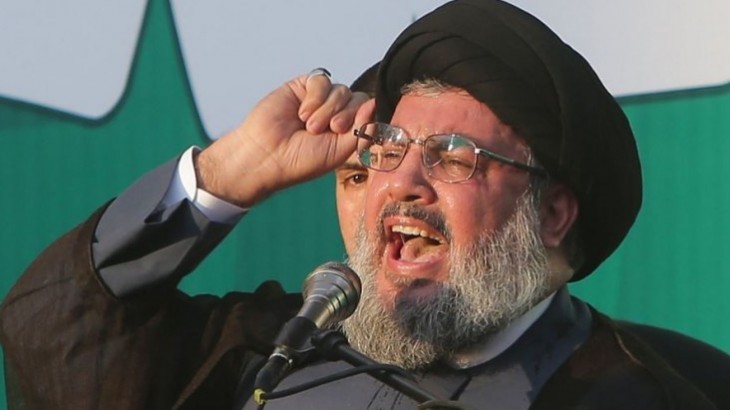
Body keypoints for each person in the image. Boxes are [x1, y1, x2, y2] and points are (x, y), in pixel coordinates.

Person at [1, 1, 729, 409]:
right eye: (384, 150)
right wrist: (226, 171)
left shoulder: (668, 391)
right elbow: (52, 336)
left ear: (552, 215)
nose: (401, 182)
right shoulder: (272, 355)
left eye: (451, 157)